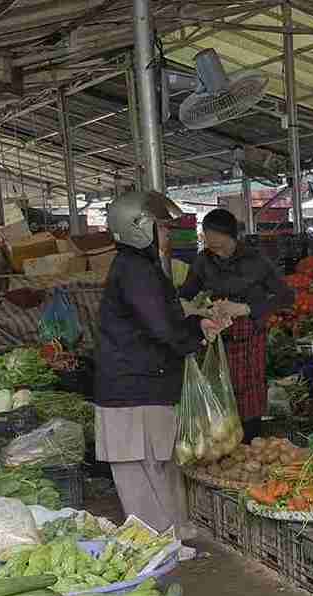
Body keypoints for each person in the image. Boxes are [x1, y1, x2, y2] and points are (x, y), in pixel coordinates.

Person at [97, 190, 232, 535]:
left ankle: (172, 534)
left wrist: (197, 327)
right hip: (134, 387)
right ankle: (162, 540)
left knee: (155, 468)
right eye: (161, 227)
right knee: (141, 472)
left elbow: (163, 321)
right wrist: (195, 335)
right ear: (138, 228)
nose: (168, 233)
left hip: (143, 384)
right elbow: (162, 327)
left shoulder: (140, 268)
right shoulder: (136, 270)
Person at [177, 208, 292, 442]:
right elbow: (186, 294)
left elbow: (286, 296)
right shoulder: (203, 261)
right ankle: (224, 442)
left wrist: (246, 308)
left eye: (220, 245)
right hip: (216, 335)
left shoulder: (256, 260)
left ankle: (250, 441)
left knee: (248, 395)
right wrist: (199, 311)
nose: (216, 251)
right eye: (211, 245)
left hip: (249, 336)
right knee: (219, 388)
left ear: (231, 236)